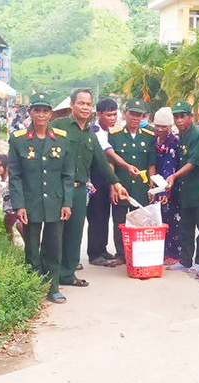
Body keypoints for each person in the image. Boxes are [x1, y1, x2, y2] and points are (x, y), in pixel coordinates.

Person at [7, 92, 74, 303]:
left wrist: (67, 203)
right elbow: (15, 176)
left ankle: (53, 287)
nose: (41, 115)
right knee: (32, 247)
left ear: (50, 114)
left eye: (45, 111)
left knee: (53, 247)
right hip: (30, 202)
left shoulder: (62, 139)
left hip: (55, 201)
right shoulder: (18, 140)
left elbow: (67, 174)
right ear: (30, 113)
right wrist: (19, 206)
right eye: (37, 110)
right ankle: (34, 286)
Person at [51, 88, 119, 287]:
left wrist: (116, 182)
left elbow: (101, 162)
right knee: (56, 233)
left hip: (79, 190)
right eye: (81, 103)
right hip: (58, 189)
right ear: (72, 105)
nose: (85, 107)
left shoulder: (91, 134)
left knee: (75, 234)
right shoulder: (59, 126)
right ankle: (52, 276)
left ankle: (68, 274)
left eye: (88, 104)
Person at [167, 101, 199, 275]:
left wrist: (174, 176)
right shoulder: (182, 135)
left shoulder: (197, 135)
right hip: (187, 191)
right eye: (176, 117)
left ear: (191, 117)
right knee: (185, 227)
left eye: (182, 116)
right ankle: (185, 259)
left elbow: (192, 163)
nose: (179, 120)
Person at [109, 99, 157, 265]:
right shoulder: (114, 135)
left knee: (140, 221)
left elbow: (151, 164)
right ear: (125, 114)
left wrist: (151, 186)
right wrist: (112, 186)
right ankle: (121, 255)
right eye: (132, 114)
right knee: (119, 222)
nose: (135, 118)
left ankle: (139, 253)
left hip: (141, 188)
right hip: (122, 186)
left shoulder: (150, 137)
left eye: (139, 115)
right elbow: (111, 163)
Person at [87, 98, 123, 266]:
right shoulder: (95, 131)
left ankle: (102, 249)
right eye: (109, 115)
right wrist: (128, 167)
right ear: (99, 114)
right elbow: (109, 154)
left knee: (105, 215)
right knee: (96, 216)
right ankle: (94, 253)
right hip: (95, 178)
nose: (112, 118)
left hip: (106, 178)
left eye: (115, 114)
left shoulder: (110, 132)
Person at [152, 107, 184, 265]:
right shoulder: (153, 139)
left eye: (164, 126)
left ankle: (174, 254)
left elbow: (169, 167)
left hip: (170, 186)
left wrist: (165, 190)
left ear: (170, 127)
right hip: (155, 186)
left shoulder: (174, 142)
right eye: (157, 125)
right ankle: (161, 251)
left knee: (172, 220)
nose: (159, 129)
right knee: (159, 219)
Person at [0, 154, 21, 243]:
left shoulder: (10, 178)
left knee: (19, 224)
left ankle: (29, 247)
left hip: (15, 206)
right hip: (9, 208)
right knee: (7, 223)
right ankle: (10, 244)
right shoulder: (3, 180)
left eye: (0, 165)